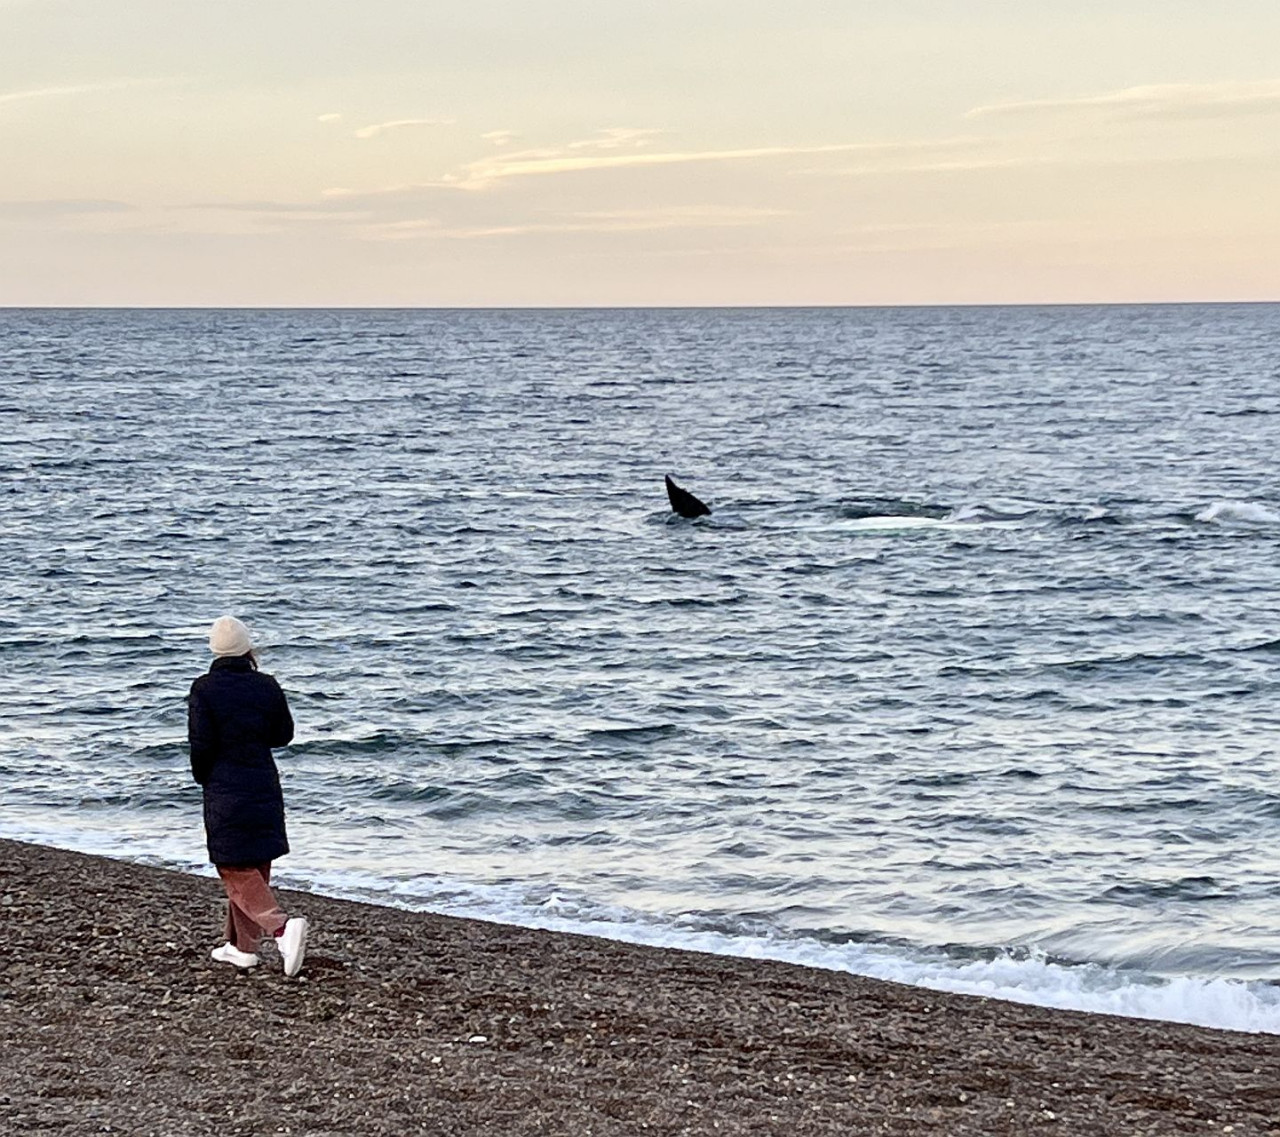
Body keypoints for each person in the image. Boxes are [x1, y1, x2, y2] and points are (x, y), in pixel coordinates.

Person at [187, 615, 309, 976]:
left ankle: (281, 928)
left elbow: (201, 744)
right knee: (254, 862)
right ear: (247, 648)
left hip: (225, 785)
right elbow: (283, 734)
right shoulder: (266, 685)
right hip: (262, 781)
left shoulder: (204, 689)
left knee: (233, 865)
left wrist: (202, 777)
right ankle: (241, 948)